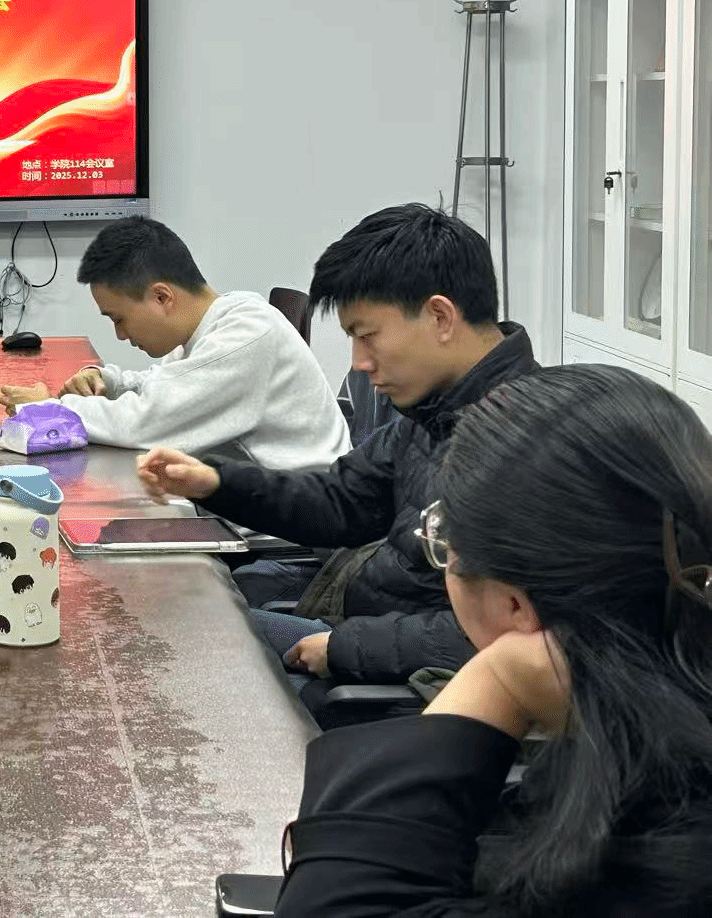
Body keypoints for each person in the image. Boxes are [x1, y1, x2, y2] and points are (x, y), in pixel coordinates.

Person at [276, 365, 712, 917]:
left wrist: (499, 675)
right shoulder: (644, 759)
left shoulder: (651, 865)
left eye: (443, 541)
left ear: (514, 605)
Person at [138, 204, 538, 691]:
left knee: (183, 639)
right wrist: (216, 483)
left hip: (396, 689)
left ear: (440, 317)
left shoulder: (529, 443)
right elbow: (341, 502)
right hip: (359, 630)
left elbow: (503, 635)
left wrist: (344, 648)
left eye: (368, 336)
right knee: (178, 621)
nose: (359, 362)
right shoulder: (432, 414)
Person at [0, 216, 348, 469]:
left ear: (162, 297)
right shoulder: (219, 323)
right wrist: (107, 381)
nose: (120, 334)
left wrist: (50, 410)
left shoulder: (246, 337)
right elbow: (162, 385)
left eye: (119, 319)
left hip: (293, 538)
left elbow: (145, 422)